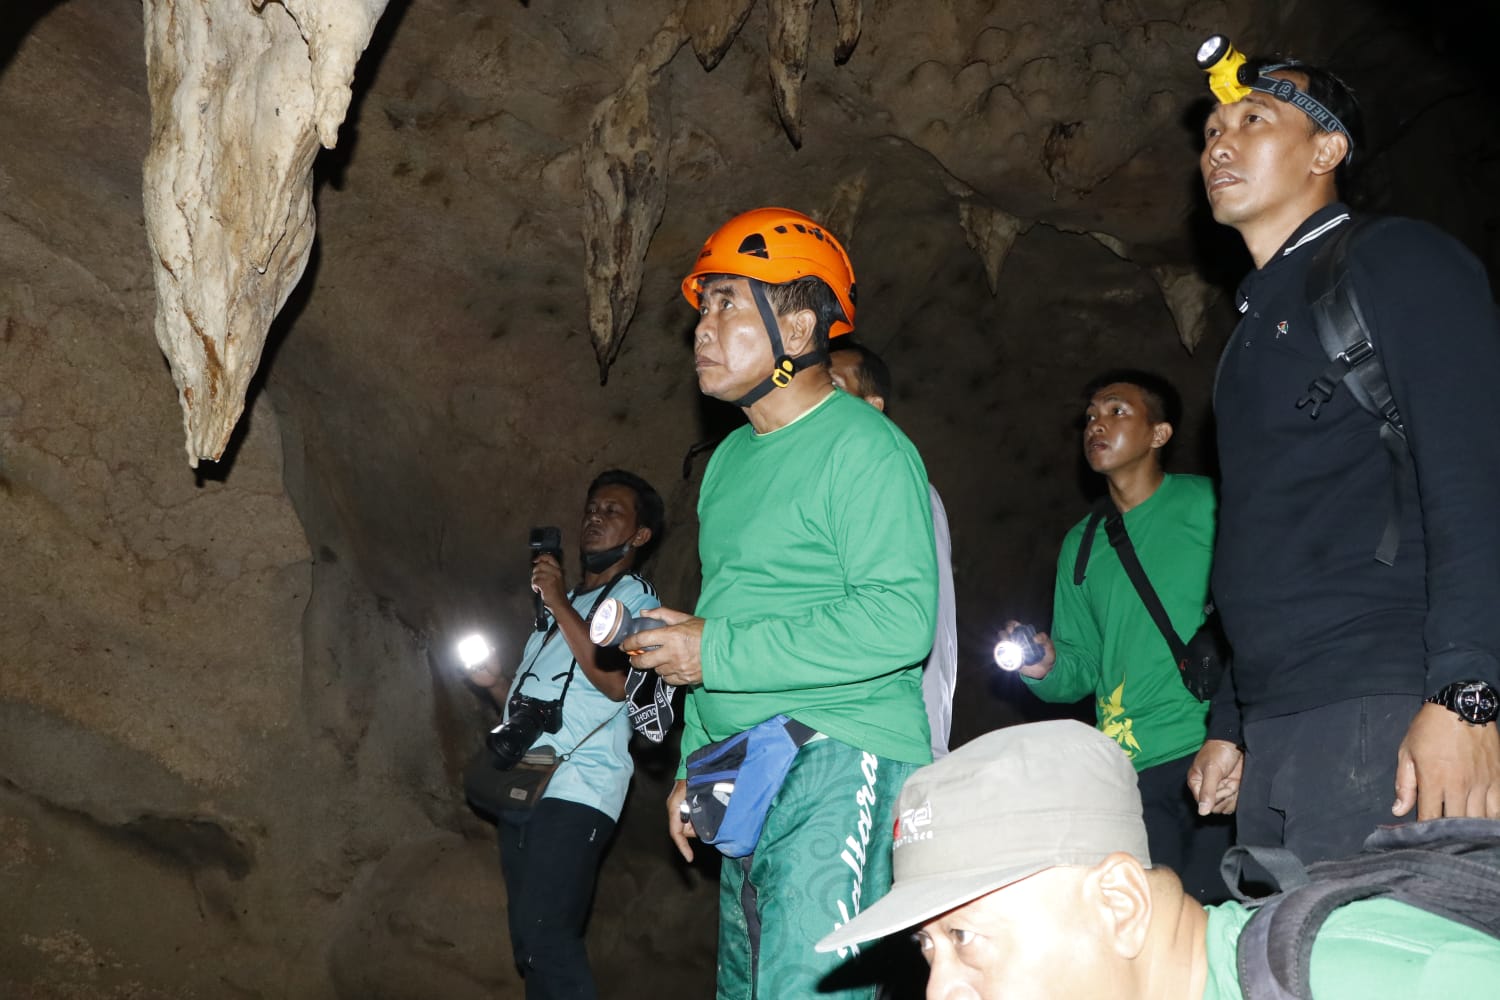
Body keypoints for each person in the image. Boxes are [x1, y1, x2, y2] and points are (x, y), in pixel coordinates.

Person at [1188, 49, 1500, 863]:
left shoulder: (1393, 260)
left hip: (1384, 694)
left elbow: (1474, 475)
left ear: (1327, 152)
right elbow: (1261, 533)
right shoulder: (1248, 337)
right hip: (1282, 721)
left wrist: (1468, 695)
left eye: (1254, 120)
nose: (1220, 144)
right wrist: (1232, 722)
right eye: (1214, 129)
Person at [621, 207, 937, 999]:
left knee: (803, 987)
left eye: (728, 303)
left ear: (796, 327)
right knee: (750, 986)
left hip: (840, 745)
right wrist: (695, 767)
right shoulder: (728, 461)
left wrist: (714, 649)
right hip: (745, 761)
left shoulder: (864, 449)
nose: (703, 326)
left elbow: (900, 620)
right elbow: (724, 612)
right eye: (703, 306)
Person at [815, 719, 1500, 1000]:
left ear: (1119, 904)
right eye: (929, 947)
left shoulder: (1382, 978)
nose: (939, 990)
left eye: (965, 937)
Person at [1005, 370, 1231, 901]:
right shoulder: (1081, 546)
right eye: (1089, 417)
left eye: (1116, 412)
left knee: (1222, 917)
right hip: (1128, 770)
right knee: (1151, 927)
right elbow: (1082, 665)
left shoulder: (1212, 507)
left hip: (1213, 749)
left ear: (1160, 434)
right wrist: (1045, 667)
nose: (1095, 426)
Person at [465, 469, 664, 1000]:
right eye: (591, 509)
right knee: (528, 943)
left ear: (639, 536)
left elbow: (619, 683)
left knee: (549, 935)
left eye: (613, 512)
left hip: (580, 787)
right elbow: (545, 699)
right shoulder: (561, 607)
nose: (594, 518)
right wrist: (495, 685)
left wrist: (555, 600)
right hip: (529, 780)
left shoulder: (636, 601)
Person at [828, 339, 958, 759]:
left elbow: (930, 620)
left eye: (830, 384)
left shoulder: (904, 487)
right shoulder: (807, 493)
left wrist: (928, 743)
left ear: (873, 406)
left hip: (881, 735)